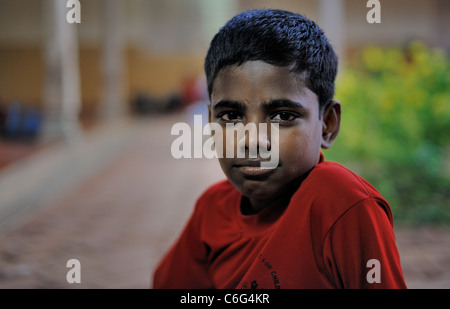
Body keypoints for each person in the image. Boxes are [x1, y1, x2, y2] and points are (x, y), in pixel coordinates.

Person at [153, 9, 406, 289]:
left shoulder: (342, 203)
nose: (252, 140)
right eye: (231, 116)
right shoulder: (213, 208)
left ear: (327, 124)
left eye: (282, 116)